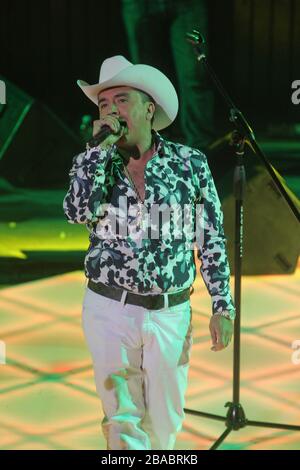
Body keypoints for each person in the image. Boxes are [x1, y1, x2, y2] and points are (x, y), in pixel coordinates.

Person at [63, 55, 235, 451]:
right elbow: (76, 211)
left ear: (148, 108)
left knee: (164, 422)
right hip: (109, 309)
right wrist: (96, 154)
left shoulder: (190, 164)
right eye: (103, 104)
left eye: (121, 100)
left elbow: (210, 236)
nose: (111, 111)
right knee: (122, 422)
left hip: (170, 312)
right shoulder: (93, 163)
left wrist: (223, 305)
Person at [121, 0, 215, 149]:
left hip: (186, 5)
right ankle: (155, 151)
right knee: (147, 82)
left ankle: (200, 153)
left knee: (195, 76)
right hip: (140, 5)